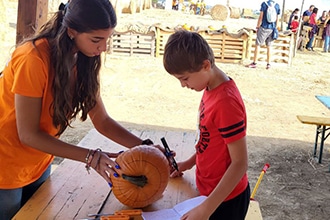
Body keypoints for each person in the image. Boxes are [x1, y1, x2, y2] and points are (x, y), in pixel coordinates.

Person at [0, 0, 158, 219]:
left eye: (107, 39)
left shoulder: (83, 58)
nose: (103, 48)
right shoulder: (33, 58)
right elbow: (27, 134)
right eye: (96, 40)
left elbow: (101, 120)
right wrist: (91, 157)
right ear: (72, 31)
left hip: (38, 161)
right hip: (5, 165)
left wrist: (148, 149)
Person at [163, 30, 250, 220]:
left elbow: (240, 163)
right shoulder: (210, 86)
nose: (183, 85)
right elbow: (209, 141)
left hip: (226, 200)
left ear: (205, 65)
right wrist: (187, 164)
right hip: (210, 193)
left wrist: (206, 209)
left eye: (184, 78)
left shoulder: (225, 102)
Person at [246, 0, 281, 69]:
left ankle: (254, 62)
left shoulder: (264, 4)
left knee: (258, 44)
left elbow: (261, 17)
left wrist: (257, 26)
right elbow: (277, 19)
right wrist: (276, 28)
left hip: (264, 27)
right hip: (272, 29)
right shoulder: (277, 5)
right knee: (269, 46)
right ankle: (268, 64)